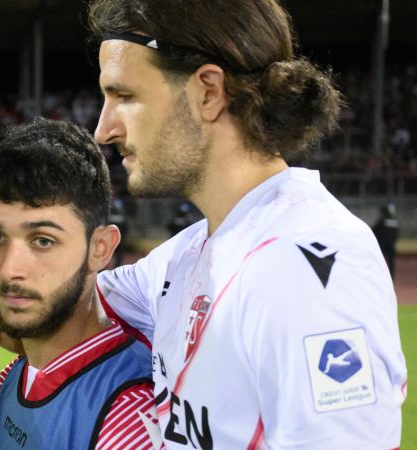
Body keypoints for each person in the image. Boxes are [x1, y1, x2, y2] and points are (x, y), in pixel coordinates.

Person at [89, 0, 407, 448]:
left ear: (208, 92)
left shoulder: (304, 267)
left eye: (124, 96)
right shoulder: (189, 253)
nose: (104, 129)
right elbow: (50, 308)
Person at [0, 118, 158, 449]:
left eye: (43, 240)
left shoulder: (126, 417)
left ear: (100, 249)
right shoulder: (12, 379)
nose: (9, 269)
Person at [373, 202, 399, 279]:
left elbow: (375, 231)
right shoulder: (395, 221)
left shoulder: (382, 220)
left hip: (382, 245)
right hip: (391, 245)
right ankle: (391, 277)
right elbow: (396, 234)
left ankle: (379, 275)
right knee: (391, 262)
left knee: (379, 260)